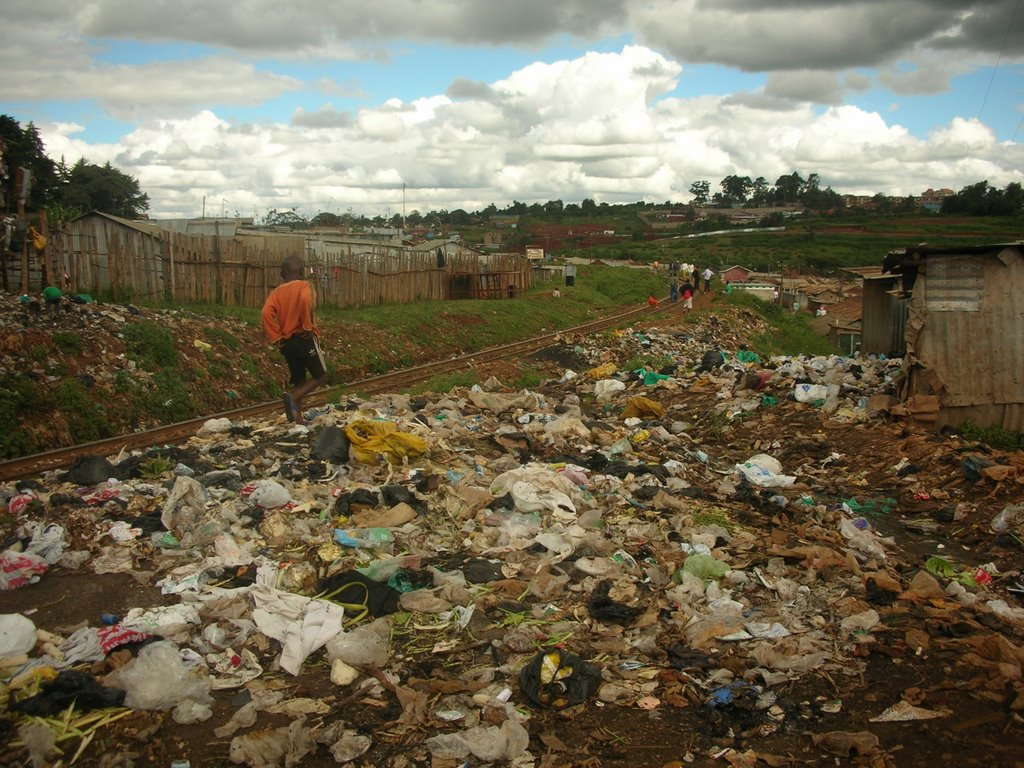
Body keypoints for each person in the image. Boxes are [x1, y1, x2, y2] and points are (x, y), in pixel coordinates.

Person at [262, 254, 327, 425]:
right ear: (303, 272)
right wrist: (307, 326)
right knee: (320, 376)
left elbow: (266, 313)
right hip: (304, 338)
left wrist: (276, 337)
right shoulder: (306, 286)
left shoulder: (276, 293)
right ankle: (293, 397)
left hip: (287, 343)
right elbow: (306, 301)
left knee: (300, 381)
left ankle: (298, 422)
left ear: (283, 274)